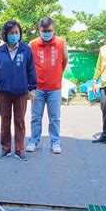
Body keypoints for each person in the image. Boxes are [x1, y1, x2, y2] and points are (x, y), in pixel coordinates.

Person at [0, 20, 37, 161]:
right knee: (5, 120)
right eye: (11, 33)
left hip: (21, 91)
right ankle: (5, 148)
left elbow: (31, 70)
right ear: (6, 35)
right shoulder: (0, 51)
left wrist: (32, 88)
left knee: (19, 121)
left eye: (16, 33)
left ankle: (19, 150)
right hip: (3, 91)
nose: (14, 35)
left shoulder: (26, 50)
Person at [26, 17, 68, 154]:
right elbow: (28, 65)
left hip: (55, 88)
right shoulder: (32, 44)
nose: (46, 33)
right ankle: (34, 141)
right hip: (38, 88)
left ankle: (55, 142)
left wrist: (57, 74)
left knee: (54, 118)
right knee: (35, 117)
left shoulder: (61, 43)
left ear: (53, 29)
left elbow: (65, 60)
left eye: (49, 30)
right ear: (39, 30)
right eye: (44, 31)